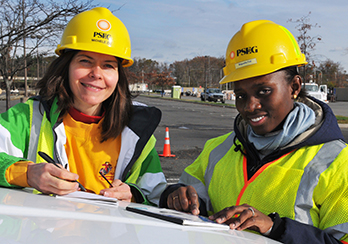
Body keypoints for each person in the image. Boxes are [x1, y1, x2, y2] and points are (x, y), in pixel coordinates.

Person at [159, 20, 348, 243]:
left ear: (294, 87)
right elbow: (188, 197)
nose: (250, 106)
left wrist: (276, 229)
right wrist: (176, 196)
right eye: (241, 95)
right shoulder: (217, 149)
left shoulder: (338, 163)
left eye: (264, 91)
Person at [0, 7, 166, 206]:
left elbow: (157, 195)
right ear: (66, 67)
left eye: (108, 65)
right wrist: (26, 173)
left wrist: (134, 196)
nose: (96, 73)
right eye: (85, 61)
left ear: (118, 76)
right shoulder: (26, 118)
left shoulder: (137, 132)